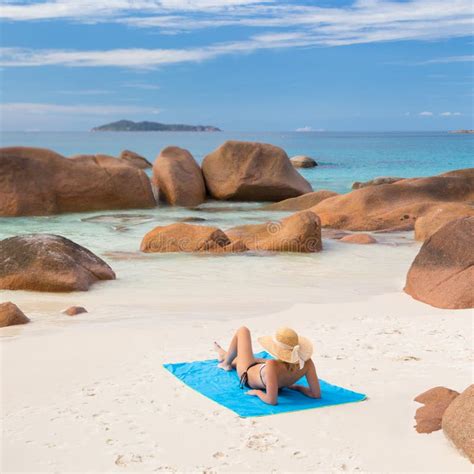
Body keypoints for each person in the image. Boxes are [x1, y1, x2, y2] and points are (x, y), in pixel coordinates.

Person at [214, 326, 321, 405]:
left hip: (247, 372)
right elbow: (316, 394)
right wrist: (297, 387)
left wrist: (257, 392)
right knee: (247, 359)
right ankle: (223, 354)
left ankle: (225, 363)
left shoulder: (272, 365)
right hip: (265, 373)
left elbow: (271, 401)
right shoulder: (307, 362)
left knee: (243, 330)